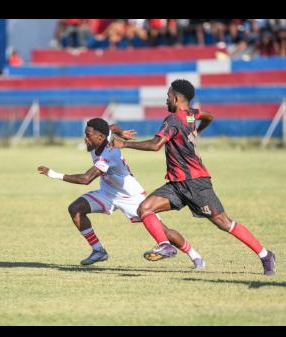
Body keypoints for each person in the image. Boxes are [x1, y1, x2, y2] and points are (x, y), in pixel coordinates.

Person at [113, 79, 276, 275]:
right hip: (176, 184)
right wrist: (197, 131)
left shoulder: (172, 120)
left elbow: (156, 145)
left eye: (167, 97)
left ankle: (265, 254)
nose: (166, 101)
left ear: (175, 97)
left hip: (196, 184)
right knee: (145, 208)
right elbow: (209, 116)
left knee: (224, 223)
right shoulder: (191, 114)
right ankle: (165, 245)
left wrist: (125, 144)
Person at [38, 117, 205, 268]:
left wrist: (54, 174)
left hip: (130, 196)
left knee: (164, 232)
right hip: (108, 193)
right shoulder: (101, 137)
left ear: (100, 137)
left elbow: (86, 179)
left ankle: (195, 256)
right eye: (85, 133)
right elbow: (113, 127)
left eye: (88, 135)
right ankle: (98, 251)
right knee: (75, 208)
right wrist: (122, 132)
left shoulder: (110, 152)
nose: (85, 138)